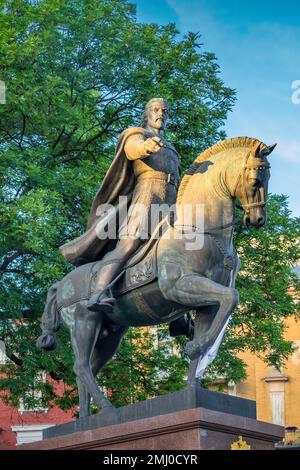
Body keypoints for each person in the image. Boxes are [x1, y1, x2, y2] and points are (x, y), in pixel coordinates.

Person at [85, 98, 181, 313]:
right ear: (146, 114)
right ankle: (98, 293)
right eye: (156, 110)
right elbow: (132, 150)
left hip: (172, 198)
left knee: (178, 249)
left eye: (165, 111)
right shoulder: (137, 134)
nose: (161, 114)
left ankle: (178, 318)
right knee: (129, 244)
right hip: (148, 193)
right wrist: (145, 147)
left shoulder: (171, 147)